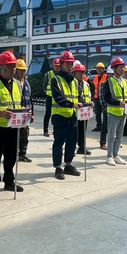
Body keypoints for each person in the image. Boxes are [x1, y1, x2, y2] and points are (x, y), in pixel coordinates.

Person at [0, 51, 32, 199]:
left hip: (13, 126)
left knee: (11, 155)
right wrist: (1, 113)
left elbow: (20, 103)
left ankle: (9, 181)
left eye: (14, 66)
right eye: (10, 66)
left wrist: (26, 112)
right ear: (2, 67)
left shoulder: (17, 84)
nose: (13, 69)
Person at [51, 51, 83, 180]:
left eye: (71, 63)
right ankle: (58, 167)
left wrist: (85, 104)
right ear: (61, 64)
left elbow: (78, 96)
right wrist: (71, 104)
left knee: (72, 142)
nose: (70, 66)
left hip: (72, 116)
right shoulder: (56, 79)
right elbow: (58, 97)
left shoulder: (74, 81)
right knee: (59, 142)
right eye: (68, 63)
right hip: (60, 116)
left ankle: (68, 165)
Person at [104, 57, 127, 166]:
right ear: (114, 68)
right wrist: (118, 103)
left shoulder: (125, 81)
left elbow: (126, 96)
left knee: (119, 136)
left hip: (123, 112)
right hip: (113, 112)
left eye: (123, 67)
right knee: (111, 136)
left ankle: (116, 155)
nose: (123, 69)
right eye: (120, 67)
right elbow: (107, 98)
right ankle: (109, 156)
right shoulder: (109, 82)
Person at [15, 58, 33, 162]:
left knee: (25, 135)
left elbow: (30, 99)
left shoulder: (26, 84)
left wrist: (31, 113)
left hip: (26, 114)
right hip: (16, 114)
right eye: (21, 70)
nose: (23, 73)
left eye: (24, 71)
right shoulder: (13, 83)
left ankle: (22, 154)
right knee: (15, 136)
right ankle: (13, 154)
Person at [73, 62, 93, 156]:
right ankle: (72, 149)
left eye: (83, 72)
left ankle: (82, 148)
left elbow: (88, 95)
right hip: (75, 109)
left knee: (83, 130)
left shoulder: (86, 84)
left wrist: (90, 102)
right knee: (74, 131)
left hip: (84, 109)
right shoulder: (71, 83)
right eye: (79, 72)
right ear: (74, 73)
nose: (81, 74)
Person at [42, 58, 60, 137]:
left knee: (56, 114)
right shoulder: (48, 74)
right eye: (56, 66)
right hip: (50, 97)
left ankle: (55, 130)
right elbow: (44, 86)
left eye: (58, 66)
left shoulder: (61, 75)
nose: (57, 67)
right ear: (53, 66)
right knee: (48, 113)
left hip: (57, 98)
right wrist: (48, 93)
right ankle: (45, 130)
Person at [99, 67, 114, 150]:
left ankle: (113, 142)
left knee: (114, 126)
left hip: (115, 108)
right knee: (105, 125)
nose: (112, 75)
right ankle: (103, 142)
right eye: (110, 74)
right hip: (107, 108)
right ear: (107, 74)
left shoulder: (116, 83)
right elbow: (101, 97)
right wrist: (104, 107)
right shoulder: (104, 83)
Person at [91, 62, 107, 132]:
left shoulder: (106, 77)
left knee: (105, 113)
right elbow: (93, 87)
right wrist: (93, 96)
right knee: (97, 113)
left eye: (100, 68)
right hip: (96, 98)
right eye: (98, 68)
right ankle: (99, 126)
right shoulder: (95, 77)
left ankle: (105, 127)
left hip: (103, 99)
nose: (99, 70)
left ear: (103, 69)